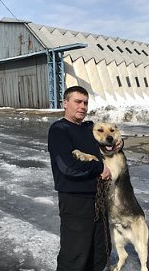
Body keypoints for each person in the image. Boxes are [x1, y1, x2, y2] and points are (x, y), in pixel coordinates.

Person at [48, 86, 119, 271]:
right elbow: (68, 167)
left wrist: (118, 142)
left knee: (100, 251)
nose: (82, 106)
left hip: (99, 199)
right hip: (75, 201)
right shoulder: (59, 130)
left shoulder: (89, 129)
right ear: (65, 103)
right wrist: (98, 167)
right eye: (77, 101)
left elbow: (108, 141)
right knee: (75, 255)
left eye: (85, 102)